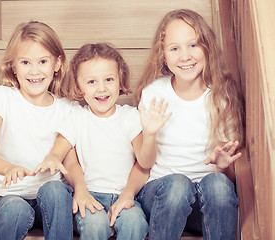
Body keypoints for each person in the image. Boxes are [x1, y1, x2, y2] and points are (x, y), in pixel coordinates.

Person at [35, 43, 171, 240]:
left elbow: (145, 163)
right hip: (89, 196)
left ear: (120, 80)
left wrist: (150, 135)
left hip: (125, 194)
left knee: (136, 223)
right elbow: (57, 152)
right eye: (91, 82)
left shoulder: (131, 117)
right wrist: (52, 158)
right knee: (95, 225)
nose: (102, 88)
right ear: (79, 87)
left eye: (109, 79)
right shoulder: (75, 118)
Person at [135, 9, 245, 240]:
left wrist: (224, 166)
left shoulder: (222, 97)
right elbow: (144, 163)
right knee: (178, 185)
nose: (185, 56)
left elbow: (227, 180)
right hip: (161, 195)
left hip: (203, 203)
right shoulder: (154, 94)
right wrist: (151, 134)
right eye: (175, 48)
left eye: (193, 45)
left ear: (207, 48)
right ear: (163, 55)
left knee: (217, 183)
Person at [0, 21, 75, 240]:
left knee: (56, 191)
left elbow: (71, 162)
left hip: (51, 200)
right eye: (25, 62)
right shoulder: (2, 97)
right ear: (13, 66)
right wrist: (8, 167)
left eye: (42, 61)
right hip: (10, 197)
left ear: (57, 64)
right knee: (15, 210)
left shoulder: (67, 109)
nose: (35, 70)